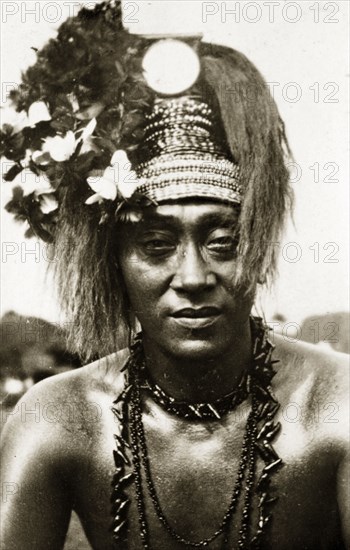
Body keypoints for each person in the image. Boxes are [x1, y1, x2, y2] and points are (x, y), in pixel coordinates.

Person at [0, 1, 348, 548]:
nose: (192, 275)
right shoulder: (58, 421)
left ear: (256, 244)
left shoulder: (338, 409)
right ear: (111, 262)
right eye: (156, 245)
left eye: (223, 241)